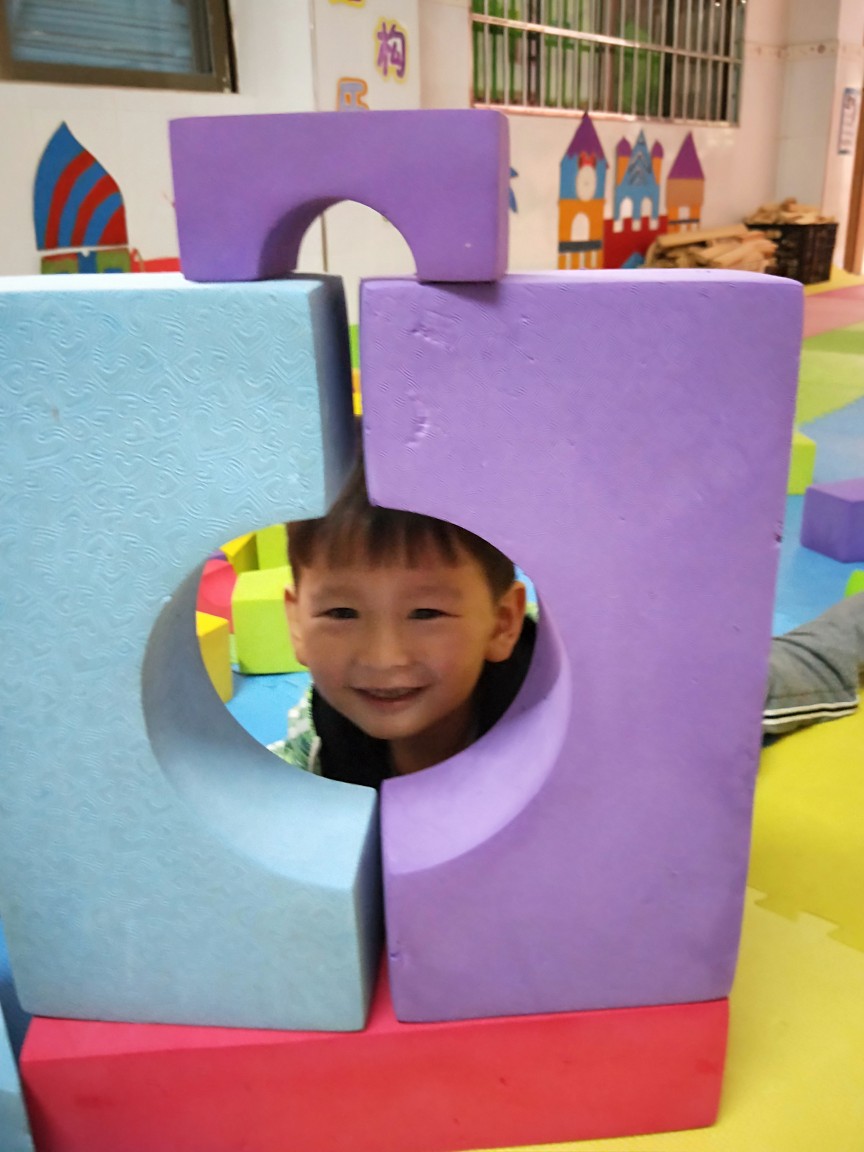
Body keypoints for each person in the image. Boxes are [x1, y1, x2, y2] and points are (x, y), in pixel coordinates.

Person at [272, 456, 864, 783]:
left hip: (630, 684)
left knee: (788, 670)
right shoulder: (315, 741)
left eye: (426, 612)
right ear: (296, 622)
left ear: (502, 624)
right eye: (341, 612)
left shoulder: (582, 706)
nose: (385, 657)